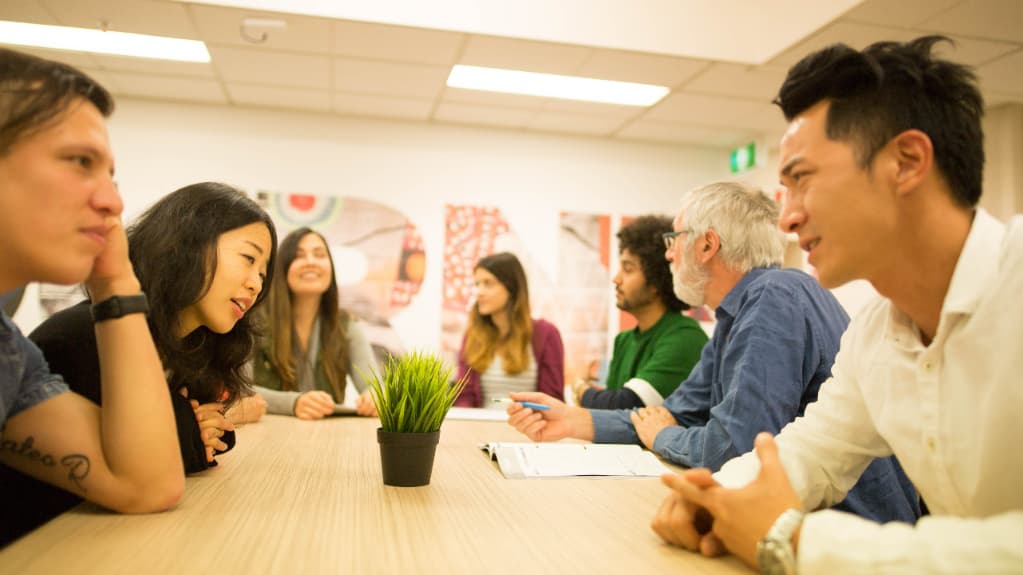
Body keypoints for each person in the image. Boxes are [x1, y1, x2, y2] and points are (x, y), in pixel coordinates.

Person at [650, 36, 1023, 574]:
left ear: (907, 161)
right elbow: (813, 449)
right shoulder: (876, 329)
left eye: (802, 179)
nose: (787, 219)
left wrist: (796, 541)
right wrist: (714, 498)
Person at [507, 181, 919, 526]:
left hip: (847, 532)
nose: (668, 253)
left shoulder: (774, 297)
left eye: (674, 239)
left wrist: (664, 436)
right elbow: (677, 411)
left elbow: (735, 446)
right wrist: (572, 420)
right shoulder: (736, 315)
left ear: (707, 245)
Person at [2, 181, 276, 543]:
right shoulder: (81, 338)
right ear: (187, 242)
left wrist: (192, 431)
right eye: (248, 258)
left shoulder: (194, 350)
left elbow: (209, 435)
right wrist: (185, 431)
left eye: (263, 271)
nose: (257, 283)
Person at [0, 48, 183, 546]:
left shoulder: (7, 354)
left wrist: (116, 281)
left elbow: (147, 485)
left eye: (110, 177)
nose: (113, 202)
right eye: (80, 162)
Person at [574, 215, 708, 408]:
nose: (616, 279)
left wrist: (579, 385)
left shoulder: (685, 337)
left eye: (628, 269)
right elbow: (610, 413)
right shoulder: (624, 340)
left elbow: (624, 404)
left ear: (656, 281)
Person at [249, 227, 379, 420]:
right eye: (299, 255)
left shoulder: (347, 326)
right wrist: (293, 403)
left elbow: (374, 387)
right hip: (270, 437)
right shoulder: (254, 323)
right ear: (283, 267)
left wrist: (375, 397)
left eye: (319, 254)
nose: (311, 262)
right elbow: (240, 391)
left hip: (328, 439)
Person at [454, 252, 564, 407]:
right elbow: (464, 396)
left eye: (488, 283)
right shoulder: (472, 335)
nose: (479, 292)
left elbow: (552, 401)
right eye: (477, 284)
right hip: (481, 428)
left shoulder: (547, 334)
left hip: (529, 429)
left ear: (511, 287)